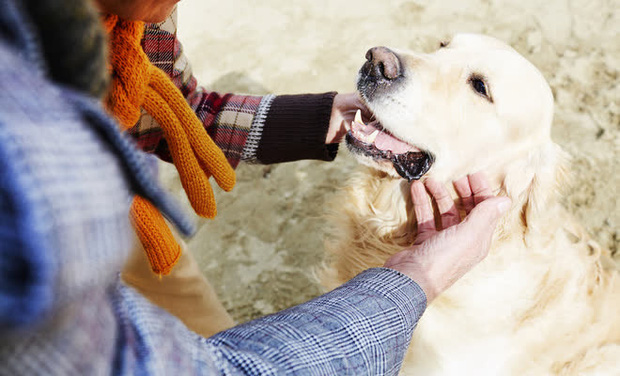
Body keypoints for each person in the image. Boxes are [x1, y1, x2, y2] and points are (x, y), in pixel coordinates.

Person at [0, 0, 511, 374]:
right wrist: (412, 279)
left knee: (193, 306)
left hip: (132, 215)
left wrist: (320, 117)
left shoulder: (132, 17)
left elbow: (178, 109)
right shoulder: (21, 183)